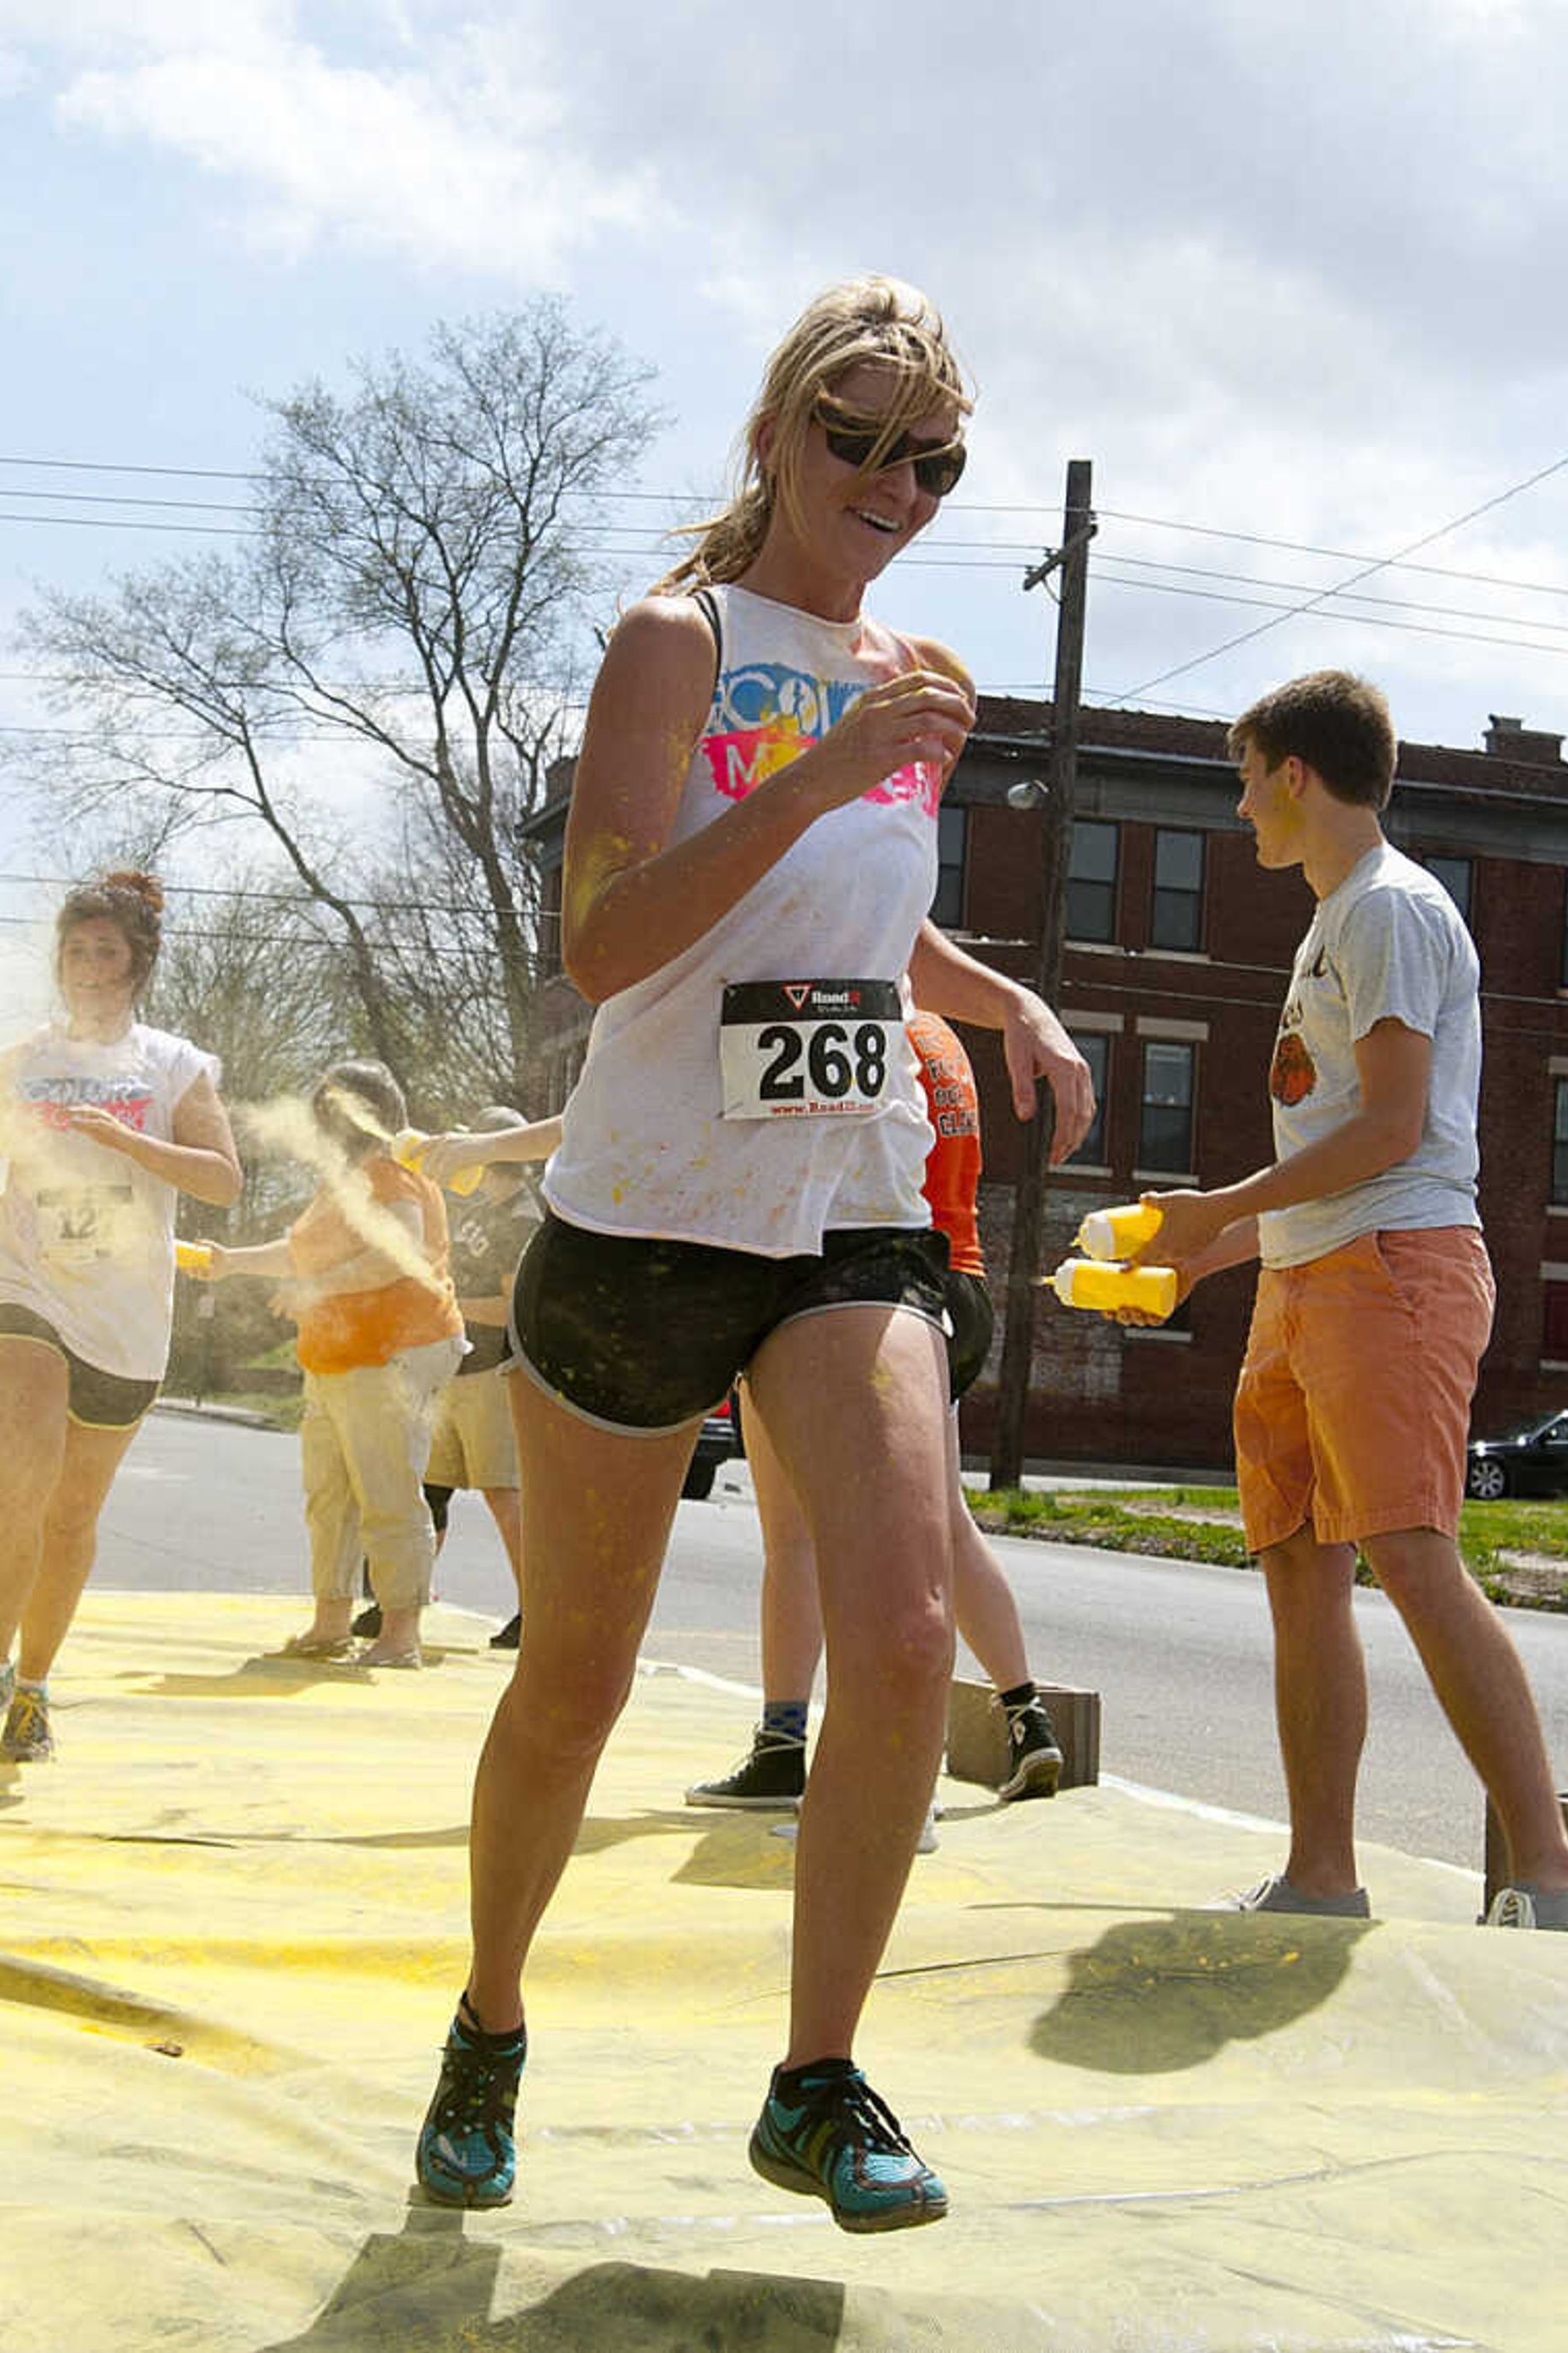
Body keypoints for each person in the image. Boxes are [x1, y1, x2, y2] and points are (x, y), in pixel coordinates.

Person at [411, 277, 1091, 2230]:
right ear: (776, 434)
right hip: (645, 1214)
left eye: (928, 457)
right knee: (581, 1684)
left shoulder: (915, 679)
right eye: (854, 436)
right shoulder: (675, 641)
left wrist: (1004, 999)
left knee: (894, 1633)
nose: (890, 481)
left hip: (847, 1201)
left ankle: (813, 2077)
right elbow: (610, 945)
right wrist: (816, 760)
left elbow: (855, 927)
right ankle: (487, 2023)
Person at [1123, 669, 1568, 1933]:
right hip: (1309, 1274)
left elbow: (1396, 1130)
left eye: (1246, 780)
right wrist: (1205, 1255)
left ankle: (1553, 1873)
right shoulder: (1337, 917)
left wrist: (1217, 1207)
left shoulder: (1390, 909)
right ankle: (1322, 1877)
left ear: (1295, 772)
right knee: (1298, 1562)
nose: (1239, 811)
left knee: (1411, 1552)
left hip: (1394, 1270)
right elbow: (1339, 1144)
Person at [688, 1012, 1063, 1818]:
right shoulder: (940, 1037)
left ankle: (790, 1747)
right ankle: (1026, 1715)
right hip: (954, 1280)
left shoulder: (856, 1019)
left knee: (799, 1537)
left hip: (865, 1284)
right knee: (944, 1528)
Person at [0, 871, 240, 1764]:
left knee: (69, 1516)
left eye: (107, 950)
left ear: (139, 965)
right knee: (16, 1478)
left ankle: (33, 1688)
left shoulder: (176, 1066)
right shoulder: (21, 1057)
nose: (88, 965)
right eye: (75, 949)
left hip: (122, 1309)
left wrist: (126, 1140)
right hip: (19, 1282)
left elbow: (222, 1182)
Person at [196, 1061, 463, 1669]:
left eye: (329, 1109)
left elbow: (399, 1254)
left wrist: (316, 1288)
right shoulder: (340, 1183)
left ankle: (400, 1633)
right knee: (330, 1494)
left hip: (394, 1350)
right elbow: (298, 1253)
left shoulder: (391, 1172)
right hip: (337, 1354)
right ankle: (331, 1621)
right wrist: (230, 1260)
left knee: (388, 1489)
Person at [413, 1111, 561, 1648]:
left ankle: (537, 1612)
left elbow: (510, 1307)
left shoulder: (523, 1219)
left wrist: (446, 1298)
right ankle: (402, 1600)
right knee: (430, 1489)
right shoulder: (481, 1210)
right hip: (454, 1365)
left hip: (493, 1372)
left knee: (504, 1493)